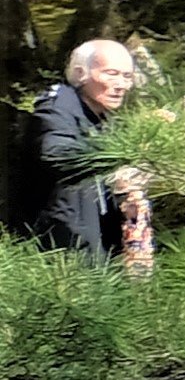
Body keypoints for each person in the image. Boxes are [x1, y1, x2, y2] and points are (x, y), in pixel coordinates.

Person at [27, 40, 149, 270]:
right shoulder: (59, 105)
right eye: (111, 74)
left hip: (96, 248)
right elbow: (55, 153)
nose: (121, 85)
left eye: (127, 76)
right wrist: (121, 151)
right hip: (65, 254)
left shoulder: (101, 117)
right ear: (80, 73)